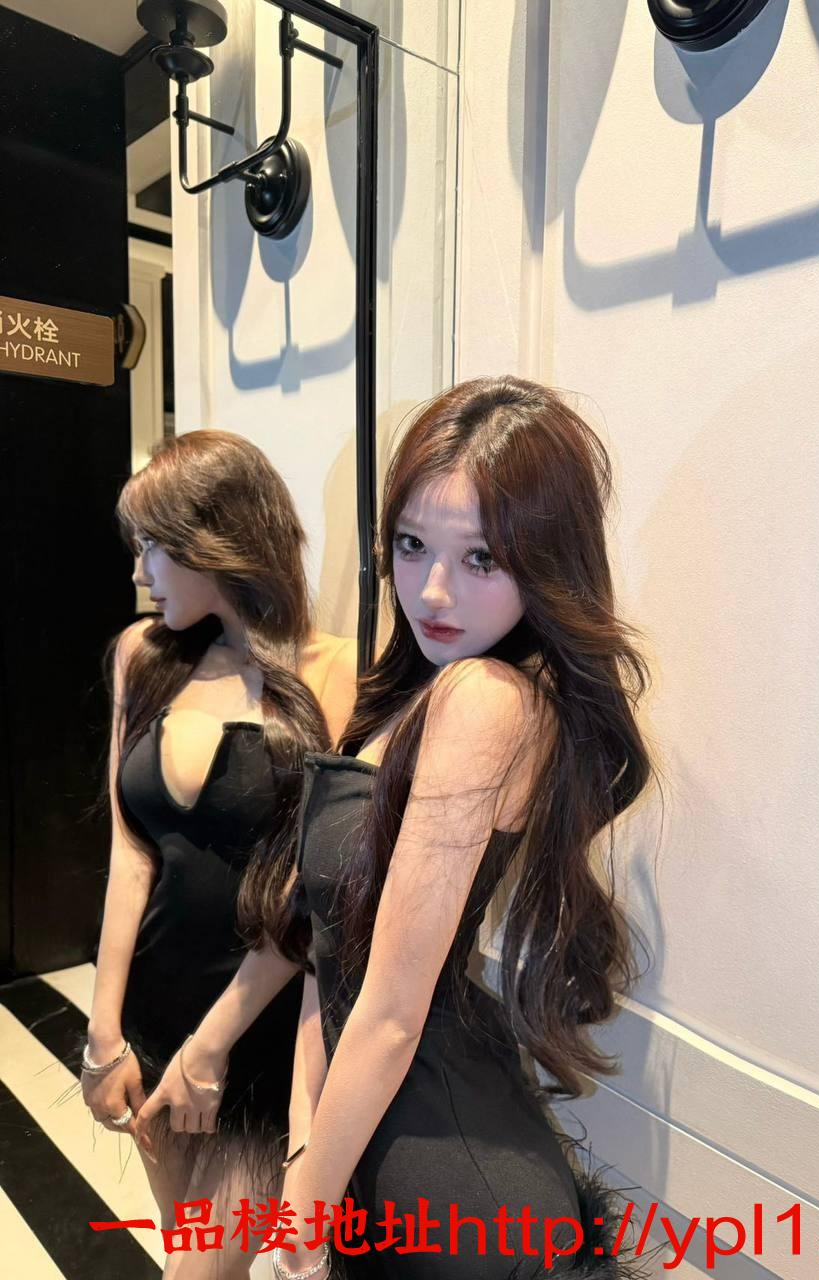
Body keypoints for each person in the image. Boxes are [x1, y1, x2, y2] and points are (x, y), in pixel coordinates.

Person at [268, 374, 656, 1278]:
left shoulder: (485, 698)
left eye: (481, 558)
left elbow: (392, 1014)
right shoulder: (417, 690)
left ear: (547, 563)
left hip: (448, 1192)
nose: (431, 590)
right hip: (374, 1143)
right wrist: (305, 1159)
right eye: (411, 546)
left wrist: (297, 1232)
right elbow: (332, 950)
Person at [80, 429, 357, 1278]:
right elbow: (131, 854)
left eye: (153, 547)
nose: (140, 573)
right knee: (188, 1246)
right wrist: (103, 1031)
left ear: (216, 541)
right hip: (156, 1018)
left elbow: (314, 887)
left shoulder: (335, 672)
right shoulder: (144, 657)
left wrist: (212, 1044)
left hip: (258, 1032)